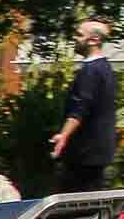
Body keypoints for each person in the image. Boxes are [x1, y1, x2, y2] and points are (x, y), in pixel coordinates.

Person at [49, 21, 118, 192]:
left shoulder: (90, 71)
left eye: (79, 35)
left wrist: (63, 135)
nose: (74, 38)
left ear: (94, 40)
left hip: (84, 153)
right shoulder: (105, 68)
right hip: (98, 152)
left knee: (74, 201)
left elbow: (80, 107)